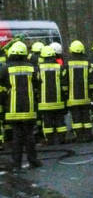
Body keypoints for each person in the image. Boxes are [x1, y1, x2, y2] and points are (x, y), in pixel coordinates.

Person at [0, 41, 42, 170]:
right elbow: (38, 84)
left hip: (12, 108)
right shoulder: (32, 68)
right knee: (29, 135)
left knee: (17, 136)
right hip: (29, 107)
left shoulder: (5, 68)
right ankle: (33, 161)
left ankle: (16, 163)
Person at [66, 40, 93, 142]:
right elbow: (92, 80)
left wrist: (66, 94)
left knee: (76, 118)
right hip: (85, 97)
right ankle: (88, 136)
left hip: (72, 98)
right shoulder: (88, 63)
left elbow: (64, 80)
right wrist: (91, 93)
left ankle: (79, 137)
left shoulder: (68, 63)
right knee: (86, 117)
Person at [37, 46, 68, 145]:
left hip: (44, 103)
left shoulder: (38, 68)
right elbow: (64, 84)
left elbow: (36, 84)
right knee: (60, 121)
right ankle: (62, 139)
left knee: (47, 122)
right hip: (58, 101)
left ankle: (49, 140)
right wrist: (65, 97)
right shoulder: (60, 67)